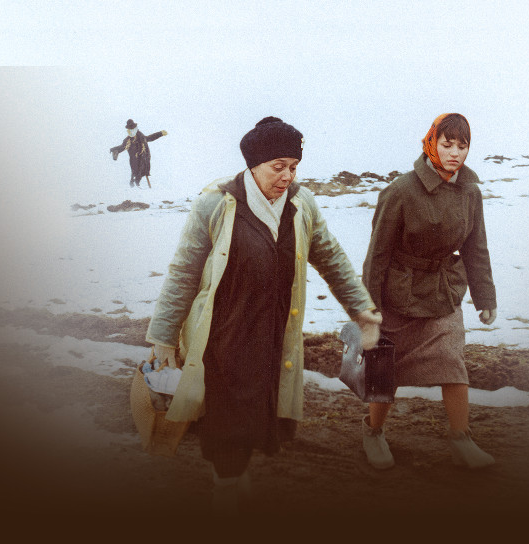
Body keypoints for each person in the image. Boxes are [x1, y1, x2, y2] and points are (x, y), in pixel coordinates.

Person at [145, 116, 381, 514]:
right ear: (254, 164)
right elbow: (184, 272)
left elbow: (331, 257)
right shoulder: (216, 204)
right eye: (278, 166)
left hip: (275, 331)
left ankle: (233, 477)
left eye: (294, 166)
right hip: (224, 331)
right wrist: (163, 337)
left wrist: (361, 308)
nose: (287, 176)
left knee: (260, 411)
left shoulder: (301, 204)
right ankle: (226, 487)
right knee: (226, 414)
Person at [361, 113, 497, 470]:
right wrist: (369, 310)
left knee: (452, 362)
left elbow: (476, 247)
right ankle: (373, 433)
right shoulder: (401, 191)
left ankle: (461, 439)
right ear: (431, 143)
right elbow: (377, 255)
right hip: (399, 296)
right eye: (447, 144)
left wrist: (485, 297)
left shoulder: (470, 191)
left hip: (443, 292)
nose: (455, 153)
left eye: (462, 146)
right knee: (385, 370)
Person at [110, 119, 167, 187]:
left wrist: (160, 133)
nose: (132, 130)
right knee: (135, 174)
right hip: (134, 161)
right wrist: (115, 150)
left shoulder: (141, 136)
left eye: (133, 128)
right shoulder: (128, 140)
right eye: (130, 129)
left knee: (141, 172)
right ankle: (133, 187)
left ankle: (138, 186)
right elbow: (122, 147)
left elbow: (149, 138)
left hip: (143, 159)